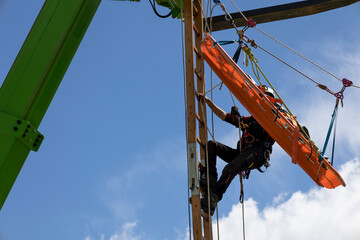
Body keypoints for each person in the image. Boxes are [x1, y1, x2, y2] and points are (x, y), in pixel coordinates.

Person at [196, 86, 276, 216]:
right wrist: (208, 101)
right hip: (243, 153)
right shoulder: (251, 120)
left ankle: (213, 198)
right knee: (212, 145)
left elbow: (285, 126)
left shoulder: (273, 119)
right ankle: (209, 181)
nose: (262, 101)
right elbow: (224, 116)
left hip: (256, 154)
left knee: (230, 169)